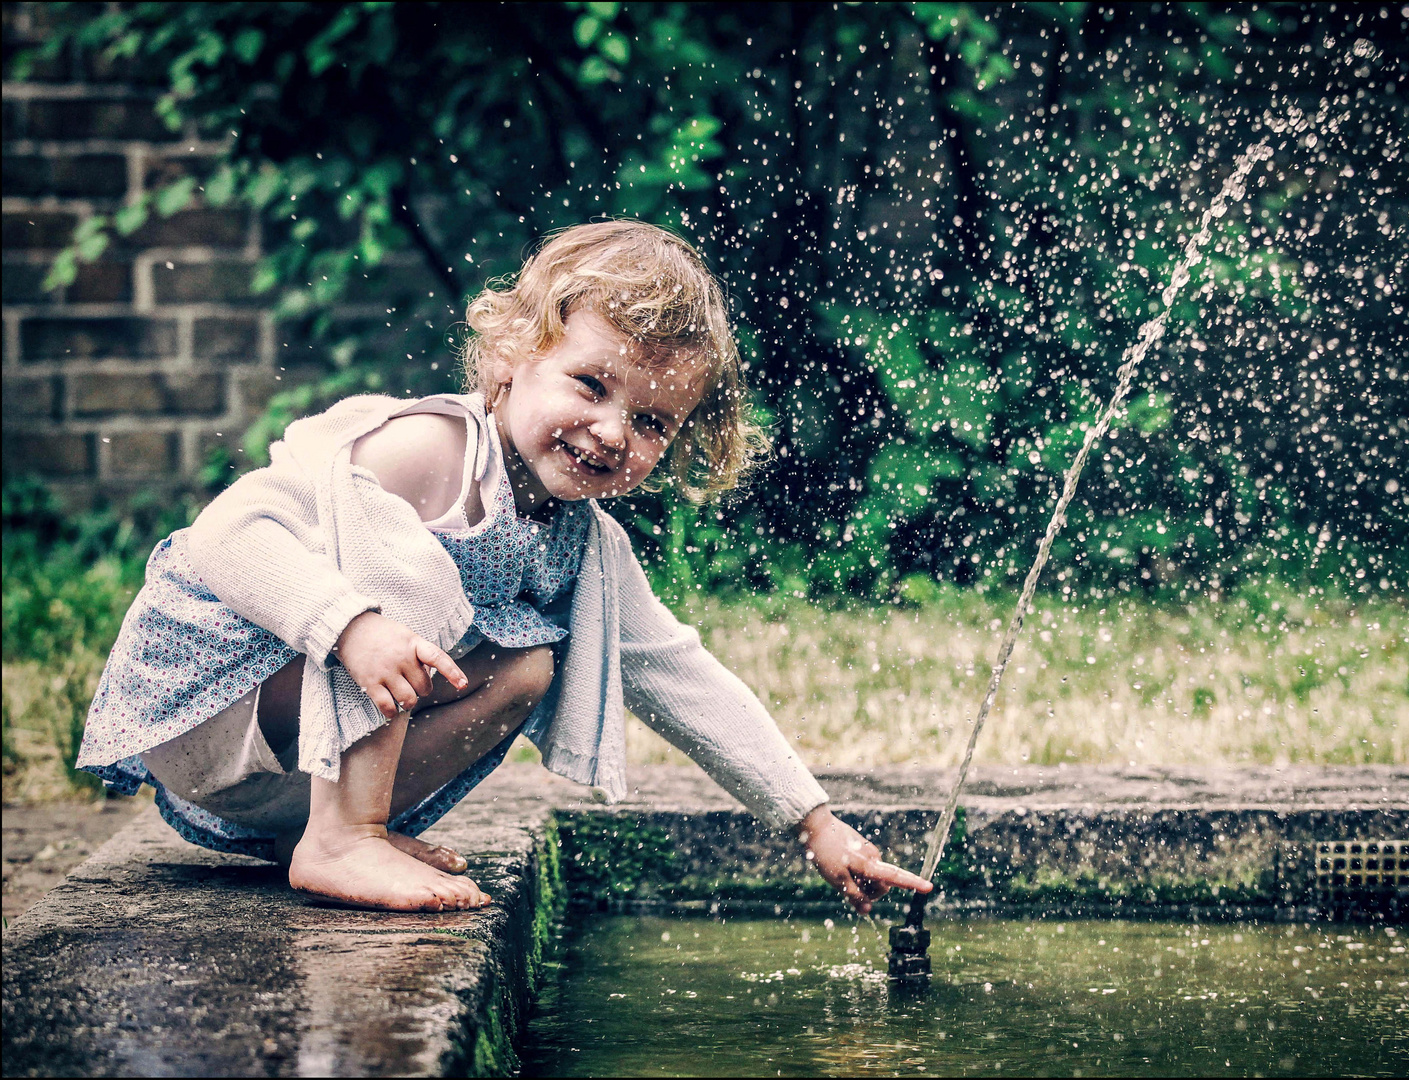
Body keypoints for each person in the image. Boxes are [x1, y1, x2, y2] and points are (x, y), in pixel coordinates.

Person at [77, 220, 931, 913]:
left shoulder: (585, 542)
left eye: (652, 422)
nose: (612, 433)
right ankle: (347, 836)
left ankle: (330, 833)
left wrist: (812, 821)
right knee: (406, 573)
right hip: (212, 705)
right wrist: (349, 624)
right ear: (509, 359)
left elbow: (680, 675)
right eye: (592, 385)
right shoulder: (430, 448)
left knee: (528, 667)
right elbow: (227, 533)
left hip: (274, 775)